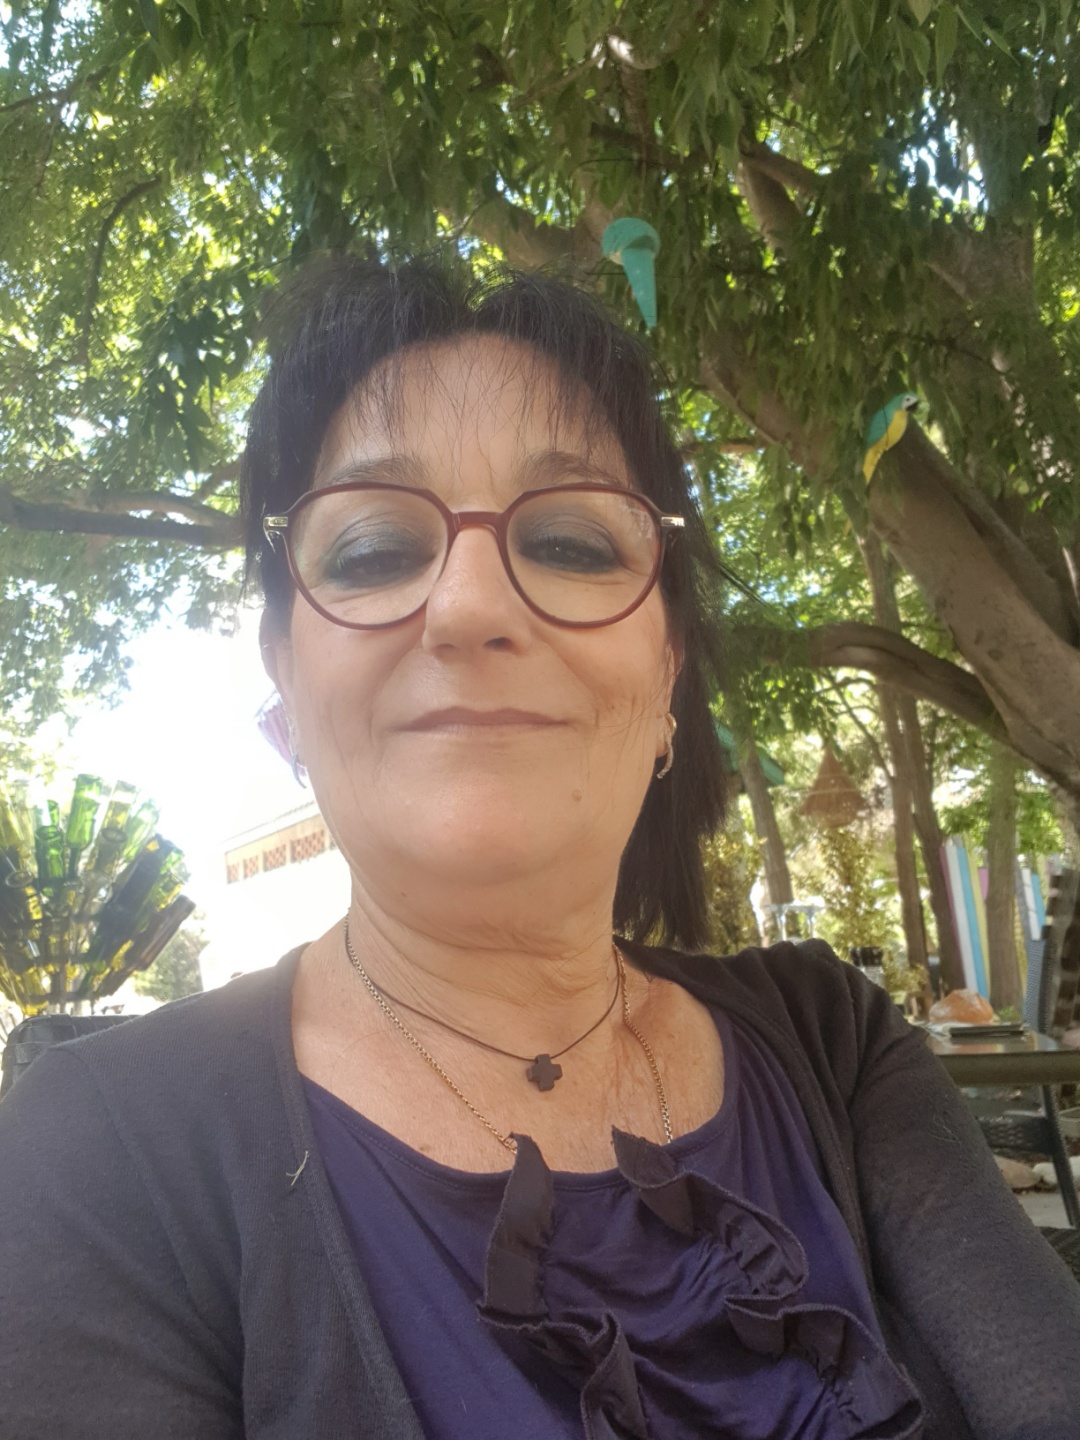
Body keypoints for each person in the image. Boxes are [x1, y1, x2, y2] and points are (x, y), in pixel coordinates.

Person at [1, 256, 1079, 1440]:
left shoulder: (836, 1044)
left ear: (667, 676)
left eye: (569, 542)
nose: (470, 606)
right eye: (373, 551)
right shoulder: (96, 1152)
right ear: (286, 684)